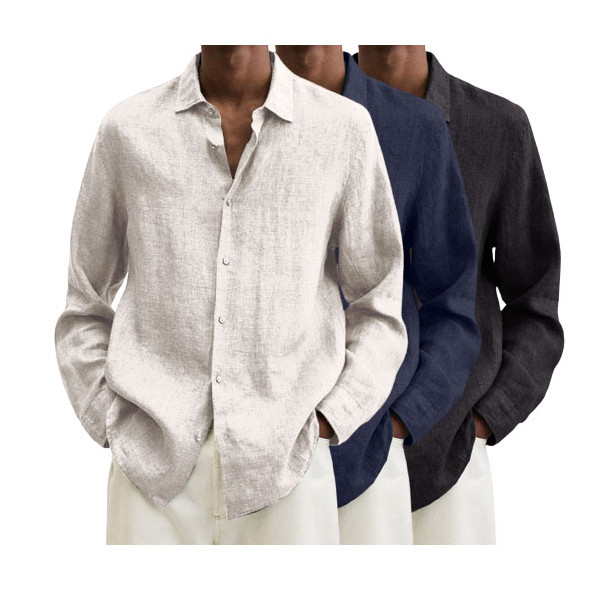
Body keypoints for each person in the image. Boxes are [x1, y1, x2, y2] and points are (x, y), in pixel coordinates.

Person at [54, 45, 408, 544]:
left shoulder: (342, 129)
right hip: (151, 478)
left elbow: (379, 301)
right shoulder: (127, 129)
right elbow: (84, 303)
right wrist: (110, 421)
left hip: (288, 471)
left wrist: (331, 418)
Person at [356, 45, 564, 544]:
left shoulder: (497, 128)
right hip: (328, 449)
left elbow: (536, 302)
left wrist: (484, 420)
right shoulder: (302, 114)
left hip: (449, 461)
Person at [276, 45, 480, 544]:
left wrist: (401, 420)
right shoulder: (227, 125)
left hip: (369, 458)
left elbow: (452, 300)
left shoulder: (414, 127)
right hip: (254, 460)